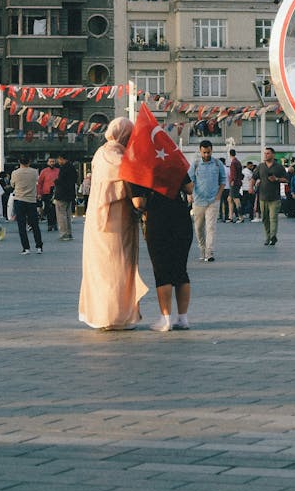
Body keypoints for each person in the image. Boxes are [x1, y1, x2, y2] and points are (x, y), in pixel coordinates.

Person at [79, 118, 148, 330]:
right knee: (116, 266)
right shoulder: (113, 155)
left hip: (102, 219)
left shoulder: (103, 153)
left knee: (106, 266)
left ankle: (105, 314)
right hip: (112, 220)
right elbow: (131, 173)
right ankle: (115, 315)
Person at [132, 174, 193, 332]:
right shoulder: (172, 161)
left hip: (158, 218)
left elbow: (138, 202)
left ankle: (165, 319)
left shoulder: (142, 167)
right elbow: (189, 188)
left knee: (162, 270)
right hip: (181, 216)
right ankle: (183, 318)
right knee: (181, 269)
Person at [188, 140, 226, 262]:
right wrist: (190, 194)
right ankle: (202, 249)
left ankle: (209, 252)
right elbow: (190, 180)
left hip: (213, 200)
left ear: (212, 150)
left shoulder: (217, 163)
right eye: (204, 152)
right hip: (198, 200)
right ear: (200, 151)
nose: (206, 155)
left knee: (211, 227)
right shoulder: (195, 164)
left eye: (208, 152)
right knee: (198, 227)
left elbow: (223, 180)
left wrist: (218, 195)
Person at [250, 146, 288, 246]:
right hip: (262, 197)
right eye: (265, 153)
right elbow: (254, 178)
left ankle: (273, 236)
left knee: (273, 218)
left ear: (273, 155)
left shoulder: (279, 167)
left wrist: (276, 179)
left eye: (268, 153)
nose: (266, 155)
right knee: (265, 218)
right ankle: (267, 237)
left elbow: (286, 179)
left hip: (275, 197)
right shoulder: (261, 166)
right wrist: (251, 187)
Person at [10, 154, 43, 255]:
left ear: (19, 162)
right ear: (29, 162)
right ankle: (39, 247)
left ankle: (26, 248)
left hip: (19, 200)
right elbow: (36, 182)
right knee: (34, 225)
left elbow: (12, 184)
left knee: (21, 225)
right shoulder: (34, 172)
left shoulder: (15, 173)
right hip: (31, 200)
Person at [54, 152, 77, 241]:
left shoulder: (63, 168)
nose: (58, 161)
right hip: (70, 194)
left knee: (61, 215)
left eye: (59, 159)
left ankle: (63, 233)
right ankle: (69, 233)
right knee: (67, 215)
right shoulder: (72, 167)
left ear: (62, 158)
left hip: (61, 194)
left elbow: (61, 181)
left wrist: (56, 181)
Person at [37, 157, 59, 230]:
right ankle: (50, 224)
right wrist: (39, 193)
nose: (52, 163)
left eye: (53, 161)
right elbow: (40, 183)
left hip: (56, 192)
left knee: (55, 209)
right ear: (47, 163)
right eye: (50, 161)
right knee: (48, 209)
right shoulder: (44, 171)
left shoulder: (58, 171)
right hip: (46, 193)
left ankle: (54, 223)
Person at [228, 148, 244, 223]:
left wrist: (233, 181)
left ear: (230, 154)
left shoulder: (233, 163)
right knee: (230, 199)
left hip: (234, 183)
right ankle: (230, 216)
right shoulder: (238, 162)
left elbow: (233, 173)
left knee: (236, 199)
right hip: (237, 182)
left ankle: (240, 217)